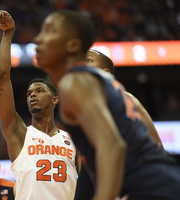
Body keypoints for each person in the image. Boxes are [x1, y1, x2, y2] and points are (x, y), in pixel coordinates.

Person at [34, 9, 180, 200]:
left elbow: (112, 146)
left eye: (49, 31)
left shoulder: (75, 81)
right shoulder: (104, 85)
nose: (38, 39)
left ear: (72, 45)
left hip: (148, 187)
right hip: (162, 180)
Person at [0, 10, 78, 200]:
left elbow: (90, 184)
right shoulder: (20, 134)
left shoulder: (73, 140)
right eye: (30, 93)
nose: (32, 95)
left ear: (55, 99)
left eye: (39, 91)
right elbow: (1, 76)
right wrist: (7, 34)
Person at [85, 49, 164, 150]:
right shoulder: (78, 104)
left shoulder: (125, 99)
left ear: (105, 73)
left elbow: (156, 144)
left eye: (88, 60)